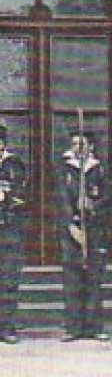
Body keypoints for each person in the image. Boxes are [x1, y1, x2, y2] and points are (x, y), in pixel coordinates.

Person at [55, 127, 112, 342]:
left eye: (84, 145)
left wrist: (93, 205)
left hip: (95, 229)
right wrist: (71, 225)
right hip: (72, 230)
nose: (79, 149)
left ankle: (94, 326)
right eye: (75, 144)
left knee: (94, 278)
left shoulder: (100, 169)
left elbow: (109, 196)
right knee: (72, 278)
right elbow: (61, 198)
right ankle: (73, 326)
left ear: (92, 147)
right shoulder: (64, 169)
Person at [0, 123, 27, 344]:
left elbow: (21, 195)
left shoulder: (14, 165)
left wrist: (7, 198)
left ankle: (7, 326)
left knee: (8, 279)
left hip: (9, 229)